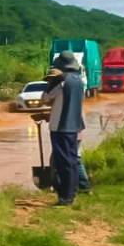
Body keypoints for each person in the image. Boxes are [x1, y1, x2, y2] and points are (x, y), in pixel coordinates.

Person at [40, 68, 91, 193]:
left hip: (69, 129)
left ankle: (76, 186)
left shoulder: (60, 88)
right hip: (74, 127)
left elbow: (45, 98)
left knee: (70, 158)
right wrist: (48, 116)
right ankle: (70, 186)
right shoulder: (69, 90)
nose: (50, 82)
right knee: (69, 158)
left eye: (51, 80)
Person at [46, 51, 86, 206]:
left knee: (63, 162)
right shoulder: (79, 81)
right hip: (74, 126)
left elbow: (45, 97)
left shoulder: (61, 80)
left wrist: (51, 82)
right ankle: (72, 193)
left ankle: (66, 197)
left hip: (60, 126)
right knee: (72, 161)